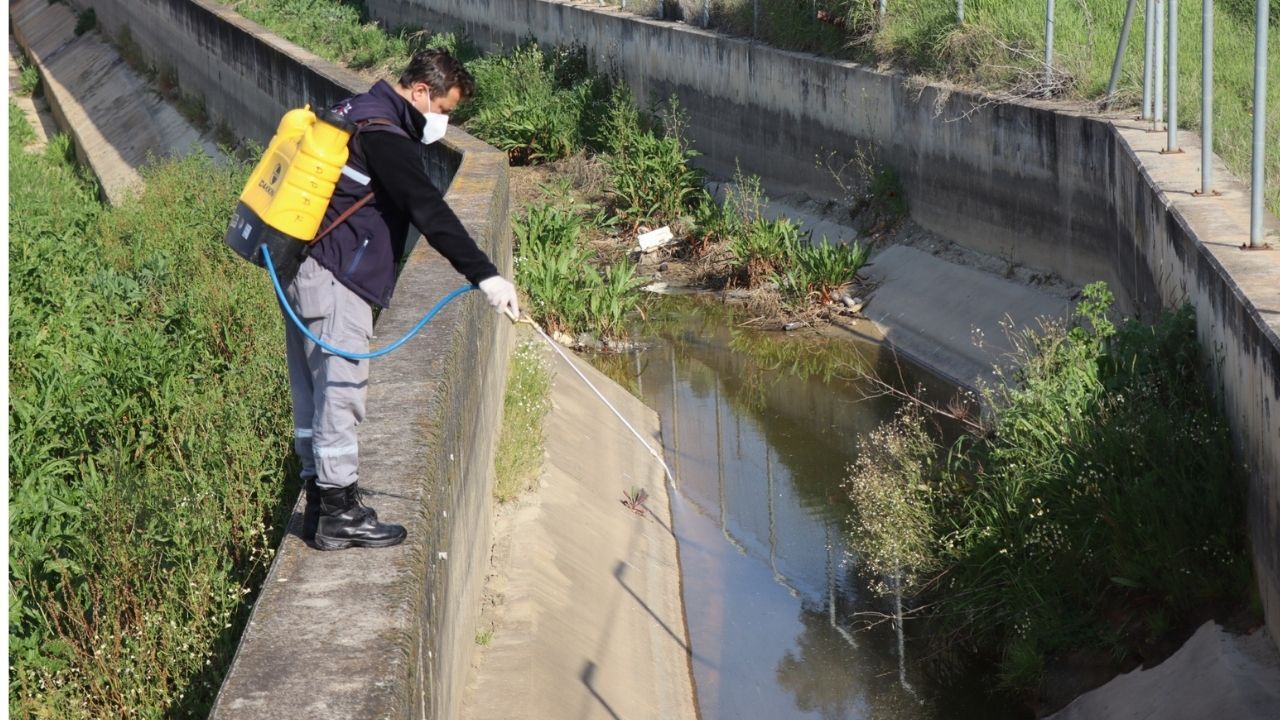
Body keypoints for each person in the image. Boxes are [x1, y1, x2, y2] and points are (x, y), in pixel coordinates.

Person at [286, 48, 518, 551]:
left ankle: (318, 494)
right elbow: (428, 210)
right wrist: (486, 276)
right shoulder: (385, 136)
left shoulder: (358, 109)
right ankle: (337, 512)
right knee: (341, 391)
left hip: (309, 266)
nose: (444, 122)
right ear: (419, 93)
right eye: (444, 109)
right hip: (335, 277)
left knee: (312, 391)